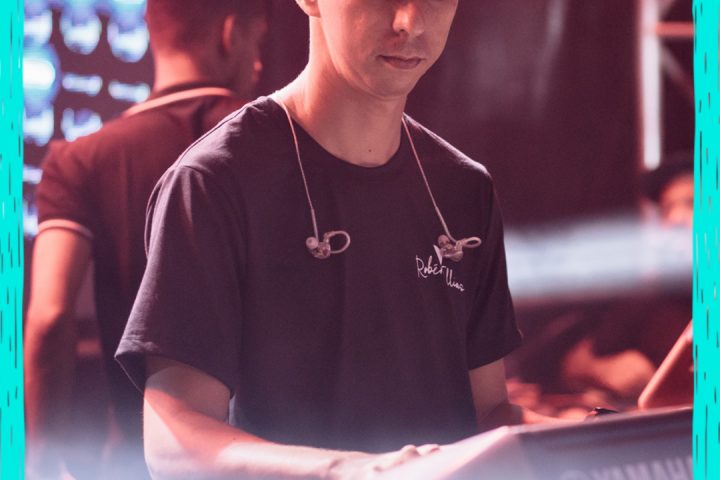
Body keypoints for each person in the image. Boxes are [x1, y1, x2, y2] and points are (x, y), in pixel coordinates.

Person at [116, 1, 529, 477]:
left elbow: (488, 413)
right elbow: (174, 444)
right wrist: (357, 471)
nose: (410, 22)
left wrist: (596, 436)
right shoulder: (214, 182)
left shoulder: (465, 189)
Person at [24, 1, 269, 478]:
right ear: (230, 33)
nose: (258, 64)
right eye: (256, 44)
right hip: (269, 457)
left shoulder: (79, 160)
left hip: (139, 462)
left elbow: (49, 317)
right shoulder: (285, 146)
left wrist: (40, 459)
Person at [560, 151, 693, 403]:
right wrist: (603, 370)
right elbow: (573, 362)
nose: (675, 219)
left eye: (692, 203)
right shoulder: (651, 298)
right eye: (666, 209)